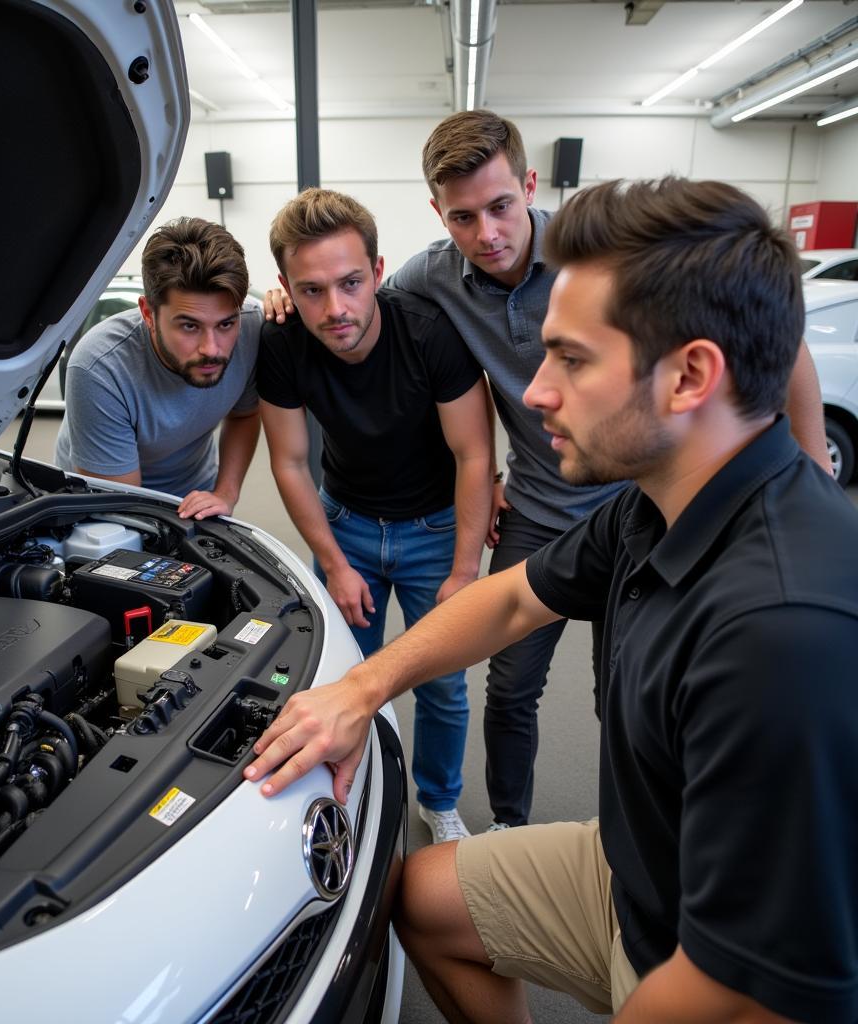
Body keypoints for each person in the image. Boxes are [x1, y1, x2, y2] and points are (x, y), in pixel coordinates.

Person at [246, 177, 858, 1022]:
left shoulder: (782, 632)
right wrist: (359, 689)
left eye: (571, 358)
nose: (533, 393)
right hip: (638, 873)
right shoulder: (657, 506)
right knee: (418, 897)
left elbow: (748, 988)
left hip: (709, 962)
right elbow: (509, 603)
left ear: (689, 377)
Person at [266, 110, 832, 830]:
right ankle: (508, 825)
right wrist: (280, 295)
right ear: (440, 215)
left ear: (530, 186)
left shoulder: (598, 262)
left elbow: (778, 339)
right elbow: (348, 294)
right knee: (509, 684)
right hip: (539, 506)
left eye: (502, 207)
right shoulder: (430, 277)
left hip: (639, 502)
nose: (488, 234)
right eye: (463, 217)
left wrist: (809, 466)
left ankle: (640, 841)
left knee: (624, 691)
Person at [259, 188, 492, 843]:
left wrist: (465, 569)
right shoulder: (279, 344)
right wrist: (333, 562)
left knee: (442, 686)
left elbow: (474, 454)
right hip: (347, 527)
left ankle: (438, 802)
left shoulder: (430, 333)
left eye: (351, 283)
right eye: (310, 291)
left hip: (435, 532)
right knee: (340, 678)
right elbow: (290, 463)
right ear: (285, 288)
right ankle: (355, 792)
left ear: (379, 271)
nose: (335, 309)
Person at [55, 217, 262, 520]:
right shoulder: (99, 368)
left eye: (226, 324)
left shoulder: (252, 327)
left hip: (196, 493)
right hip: (104, 503)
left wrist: (224, 494)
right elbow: (124, 507)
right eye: (190, 326)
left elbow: (245, 414)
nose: (212, 348)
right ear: (148, 314)